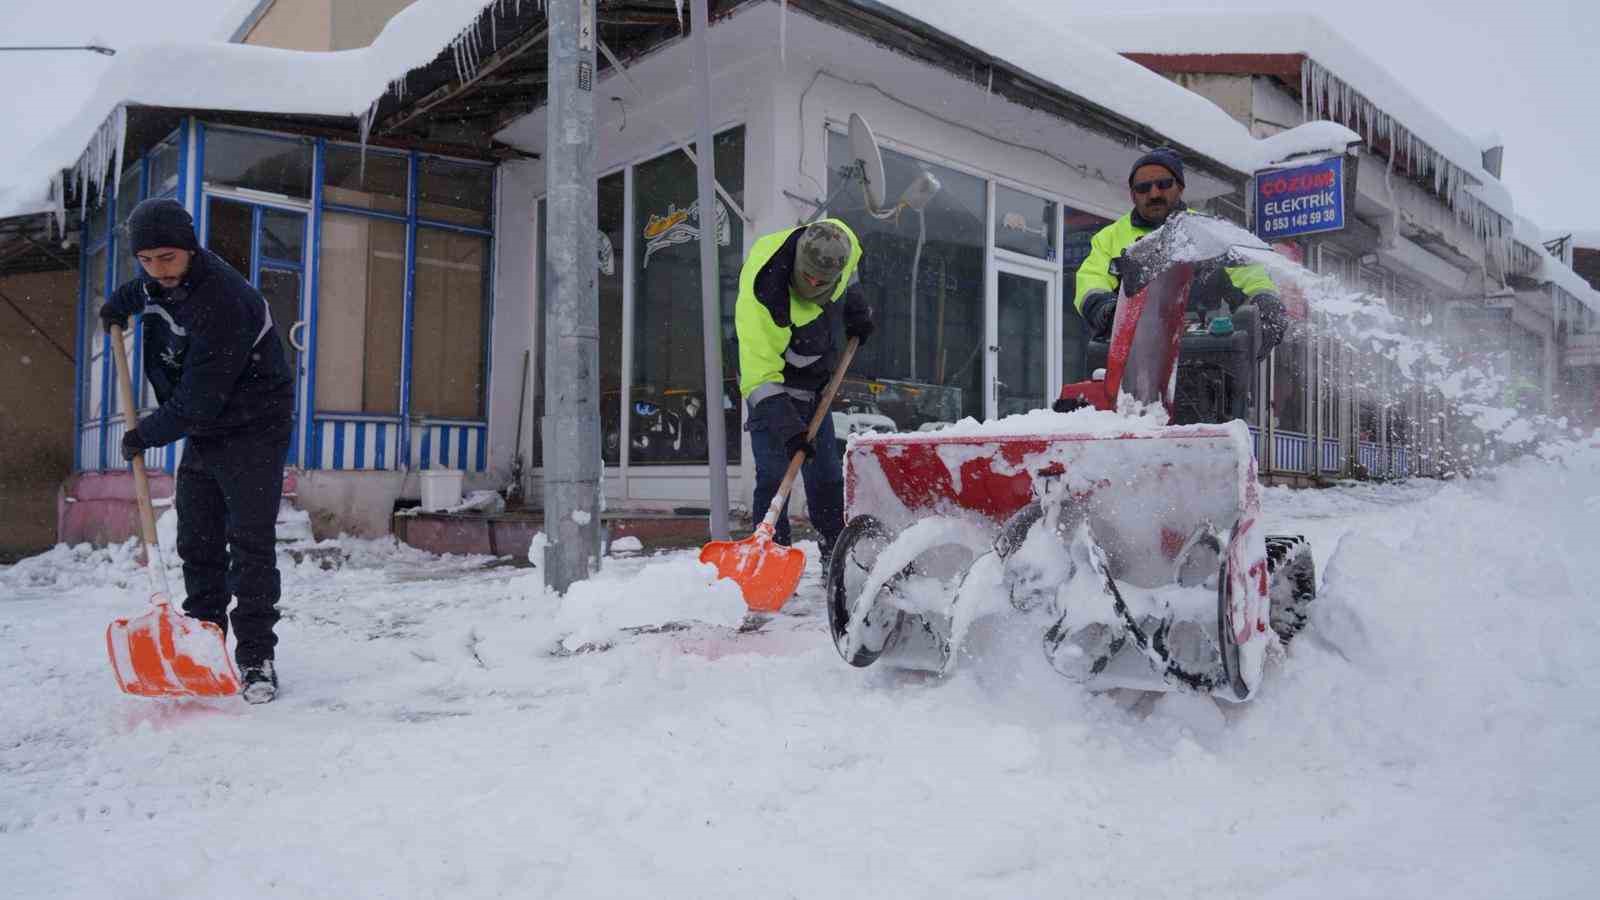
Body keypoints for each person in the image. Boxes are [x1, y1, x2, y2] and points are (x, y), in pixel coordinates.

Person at [98, 198, 295, 704]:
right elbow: (140, 291)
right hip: (207, 426)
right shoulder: (160, 279)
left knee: (248, 543)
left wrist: (144, 434)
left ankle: (256, 659)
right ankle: (204, 642)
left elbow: (199, 400)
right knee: (197, 537)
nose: (156, 270)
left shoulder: (227, 300)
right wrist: (117, 306)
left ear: (189, 249)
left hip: (252, 428)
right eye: (145, 260)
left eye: (166, 258)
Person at [735, 219, 874, 570]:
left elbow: (851, 273)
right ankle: (772, 560)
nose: (813, 283)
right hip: (773, 389)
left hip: (816, 386)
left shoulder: (842, 243)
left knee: (827, 475)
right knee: (774, 476)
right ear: (798, 260)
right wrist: (789, 430)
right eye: (807, 276)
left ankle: (835, 556)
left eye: (822, 281)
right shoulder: (764, 295)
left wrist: (856, 307)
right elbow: (758, 378)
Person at [1074, 147, 1288, 357]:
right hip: (1134, 360)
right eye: (1143, 188)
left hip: (1206, 357)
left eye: (1164, 184)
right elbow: (1091, 281)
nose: (1154, 193)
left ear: (1180, 187)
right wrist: (1105, 309)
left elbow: (1250, 274)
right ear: (1132, 195)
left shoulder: (1209, 231)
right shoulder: (1109, 237)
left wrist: (1265, 300)